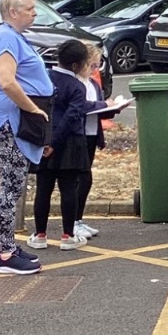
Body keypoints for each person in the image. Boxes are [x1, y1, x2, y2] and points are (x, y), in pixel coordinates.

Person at [0, 0, 53, 276]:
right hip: (10, 116)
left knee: (15, 183)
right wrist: (33, 108)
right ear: (13, 12)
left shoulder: (14, 36)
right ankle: (5, 254)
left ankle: (8, 247)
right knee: (10, 185)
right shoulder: (6, 37)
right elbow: (7, 81)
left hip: (15, 115)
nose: (35, 13)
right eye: (30, 9)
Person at [30, 40, 95, 252]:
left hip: (44, 139)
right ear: (76, 65)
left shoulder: (44, 79)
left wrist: (47, 142)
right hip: (70, 142)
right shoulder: (77, 86)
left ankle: (40, 234)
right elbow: (72, 116)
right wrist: (56, 143)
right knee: (68, 189)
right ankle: (68, 235)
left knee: (43, 189)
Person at [70, 42, 106, 243]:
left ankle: (78, 219)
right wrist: (103, 104)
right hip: (78, 135)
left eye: (97, 66)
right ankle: (73, 221)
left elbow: (98, 108)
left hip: (91, 133)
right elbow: (82, 106)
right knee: (81, 178)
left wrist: (112, 107)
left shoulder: (93, 84)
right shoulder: (75, 83)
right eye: (92, 65)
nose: (95, 70)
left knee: (85, 177)